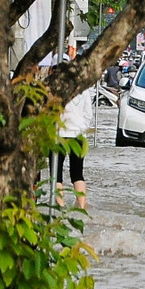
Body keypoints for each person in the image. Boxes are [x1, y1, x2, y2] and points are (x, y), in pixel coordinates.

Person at [56, 64, 96, 211]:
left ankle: (60, 207)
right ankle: (81, 206)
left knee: (56, 173)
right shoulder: (83, 90)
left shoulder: (56, 89)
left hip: (58, 135)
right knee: (77, 173)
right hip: (78, 136)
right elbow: (88, 115)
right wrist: (80, 127)